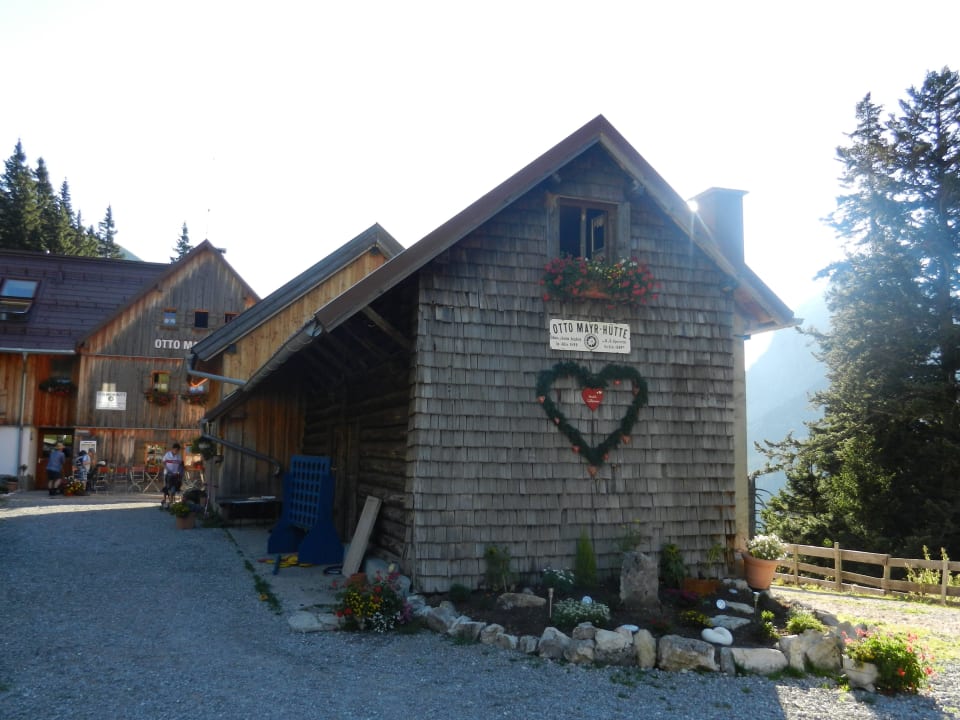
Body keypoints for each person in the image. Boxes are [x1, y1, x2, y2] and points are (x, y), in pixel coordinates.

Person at [161, 443, 183, 508]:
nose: (176, 451)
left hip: (175, 474)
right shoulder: (167, 454)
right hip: (167, 473)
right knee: (166, 487)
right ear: (173, 449)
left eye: (177, 450)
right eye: (175, 450)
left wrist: (179, 471)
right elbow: (163, 463)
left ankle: (171, 501)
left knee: (173, 488)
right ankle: (164, 500)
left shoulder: (179, 456)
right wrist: (167, 469)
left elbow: (180, 465)